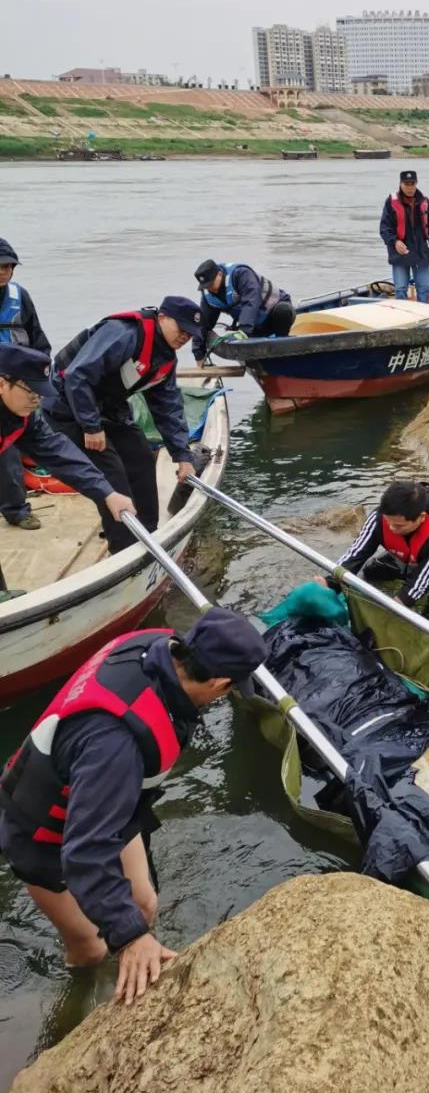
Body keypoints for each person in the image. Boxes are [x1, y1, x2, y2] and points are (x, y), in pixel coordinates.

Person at [0, 607, 265, 1004]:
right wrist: (130, 939)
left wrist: (132, 924)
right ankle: (78, 1001)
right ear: (219, 683)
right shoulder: (115, 746)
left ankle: (126, 947)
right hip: (39, 831)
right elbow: (86, 851)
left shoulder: (153, 647)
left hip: (100, 797)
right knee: (92, 947)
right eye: (231, 690)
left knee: (143, 903)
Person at [46, 297, 202, 554]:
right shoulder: (124, 334)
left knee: (140, 456)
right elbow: (78, 376)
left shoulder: (165, 359)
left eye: (190, 333)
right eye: (181, 328)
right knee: (112, 473)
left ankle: (149, 533)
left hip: (107, 409)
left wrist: (182, 456)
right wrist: (91, 427)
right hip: (69, 407)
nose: (185, 336)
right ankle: (123, 549)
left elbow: (168, 409)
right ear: (162, 317)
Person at [0, 345, 134, 592]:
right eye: (30, 391)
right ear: (2, 384)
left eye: (40, 393)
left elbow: (59, 453)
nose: (36, 399)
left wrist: (107, 492)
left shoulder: (24, 416)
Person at [334, 479, 429, 629]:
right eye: (388, 522)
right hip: (416, 557)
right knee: (372, 572)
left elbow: (425, 577)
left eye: (399, 526)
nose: (392, 528)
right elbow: (356, 553)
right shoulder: (379, 517)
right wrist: (331, 581)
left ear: (421, 518)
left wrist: (399, 603)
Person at [0, 239, 53, 532]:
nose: (4, 272)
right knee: (6, 452)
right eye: (0, 266)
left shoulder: (20, 297)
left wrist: (39, 378)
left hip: (20, 385)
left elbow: (38, 339)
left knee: (39, 436)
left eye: (9, 266)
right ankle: (16, 510)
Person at [190, 259, 294, 360]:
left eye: (211, 284)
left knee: (283, 311)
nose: (209, 288)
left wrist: (243, 331)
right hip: (255, 326)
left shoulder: (241, 274)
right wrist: (198, 353)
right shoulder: (208, 294)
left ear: (220, 274)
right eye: (206, 286)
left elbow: (251, 302)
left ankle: (282, 348)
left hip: (274, 317)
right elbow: (203, 324)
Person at [379, 170, 429, 303]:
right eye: (406, 184)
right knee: (401, 288)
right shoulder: (391, 202)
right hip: (399, 252)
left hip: (420, 252)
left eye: (412, 183)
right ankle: (403, 318)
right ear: (401, 184)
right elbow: (384, 229)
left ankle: (424, 317)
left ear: (416, 184)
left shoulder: (424, 201)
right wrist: (394, 242)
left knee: (424, 289)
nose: (410, 187)